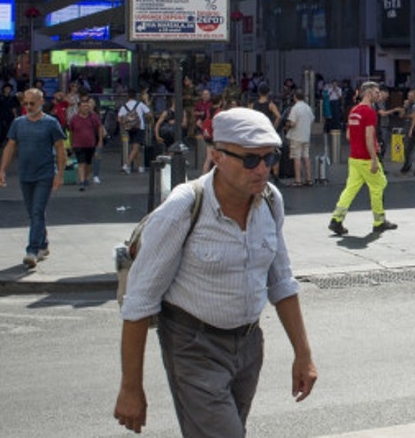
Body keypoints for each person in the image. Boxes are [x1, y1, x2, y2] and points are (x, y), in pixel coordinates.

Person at [113, 108, 317, 436]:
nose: (263, 168)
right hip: (194, 345)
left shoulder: (270, 200)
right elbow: (139, 301)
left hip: (249, 344)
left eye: (270, 157)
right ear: (217, 156)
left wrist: (303, 355)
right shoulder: (184, 207)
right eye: (250, 159)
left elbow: (281, 281)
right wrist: (131, 388)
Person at [0, 88, 69, 269]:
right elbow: (10, 146)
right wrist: (2, 170)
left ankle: (32, 250)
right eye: (26, 103)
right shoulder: (18, 123)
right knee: (33, 213)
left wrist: (60, 174)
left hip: (45, 174)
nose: (28, 107)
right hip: (25, 174)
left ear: (41, 102)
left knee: (37, 211)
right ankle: (43, 243)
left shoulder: (51, 123)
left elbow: (61, 149)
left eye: (32, 103)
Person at [329, 81, 396, 235]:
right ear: (368, 93)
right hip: (366, 158)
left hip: (354, 157)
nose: (379, 95)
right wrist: (373, 158)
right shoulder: (369, 112)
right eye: (376, 92)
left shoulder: (354, 111)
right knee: (379, 185)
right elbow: (368, 136)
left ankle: (336, 219)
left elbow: (348, 135)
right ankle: (379, 221)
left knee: (350, 189)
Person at [68, 97, 105, 190]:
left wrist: (100, 140)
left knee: (89, 163)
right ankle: (81, 181)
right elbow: (71, 131)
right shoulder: (74, 118)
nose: (86, 108)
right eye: (84, 106)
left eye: (87, 106)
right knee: (81, 163)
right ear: (79, 107)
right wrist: (71, 143)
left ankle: (85, 177)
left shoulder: (93, 117)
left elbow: (99, 127)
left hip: (90, 144)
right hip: (78, 144)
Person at [285, 90, 315, 186]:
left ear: (295, 97)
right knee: (306, 156)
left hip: (296, 136)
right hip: (306, 135)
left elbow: (292, 123)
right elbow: (312, 119)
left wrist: (287, 125)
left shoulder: (295, 108)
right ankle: (309, 178)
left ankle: (298, 180)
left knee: (296, 157)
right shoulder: (308, 107)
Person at [118, 89, 151, 175]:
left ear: (127, 96)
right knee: (136, 148)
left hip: (129, 129)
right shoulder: (140, 104)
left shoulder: (124, 106)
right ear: (136, 96)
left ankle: (140, 167)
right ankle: (127, 164)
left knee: (136, 147)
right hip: (139, 128)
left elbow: (119, 118)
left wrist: (126, 123)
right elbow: (148, 114)